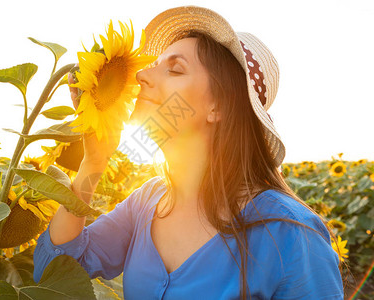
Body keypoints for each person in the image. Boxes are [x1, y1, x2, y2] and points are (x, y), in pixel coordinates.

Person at [33, 5, 346, 299]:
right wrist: (94, 161)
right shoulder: (146, 203)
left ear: (218, 106)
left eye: (175, 70)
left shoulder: (290, 235)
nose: (142, 76)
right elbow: (54, 270)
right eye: (152, 67)